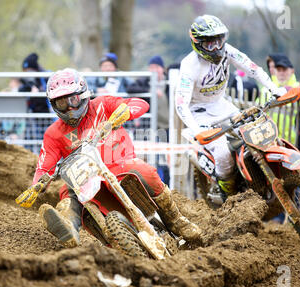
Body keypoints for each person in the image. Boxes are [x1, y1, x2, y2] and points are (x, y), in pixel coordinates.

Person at [16, 68, 201, 247]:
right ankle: (69, 226)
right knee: (65, 191)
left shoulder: (103, 105)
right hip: (85, 180)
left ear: (83, 94)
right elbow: (44, 167)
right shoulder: (53, 133)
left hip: (119, 166)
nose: (70, 108)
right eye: (62, 103)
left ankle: (176, 219)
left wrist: (125, 111)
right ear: (53, 104)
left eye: (72, 99)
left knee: (144, 170)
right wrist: (36, 185)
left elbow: (141, 104)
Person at [175, 15, 286, 197]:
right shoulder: (189, 65)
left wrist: (275, 89)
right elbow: (180, 104)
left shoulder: (228, 51)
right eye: (210, 44)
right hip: (198, 113)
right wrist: (197, 131)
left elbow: (252, 68)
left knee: (255, 132)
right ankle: (229, 193)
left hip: (221, 105)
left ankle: (259, 177)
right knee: (222, 152)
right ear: (199, 44)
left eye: (219, 41)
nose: (217, 48)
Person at [127, 55, 170, 185]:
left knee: (166, 160)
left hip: (167, 128)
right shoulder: (145, 81)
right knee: (150, 160)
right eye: (151, 67)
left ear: (162, 69)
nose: (153, 70)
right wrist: (150, 91)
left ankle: (167, 185)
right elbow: (131, 89)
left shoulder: (169, 82)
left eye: (156, 67)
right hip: (149, 128)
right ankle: (152, 185)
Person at [19, 53, 52, 151]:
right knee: (32, 140)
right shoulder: (26, 81)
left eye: (29, 70)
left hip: (47, 116)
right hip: (33, 116)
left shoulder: (46, 76)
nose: (27, 73)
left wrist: (39, 91)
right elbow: (21, 90)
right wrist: (29, 88)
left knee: (48, 141)